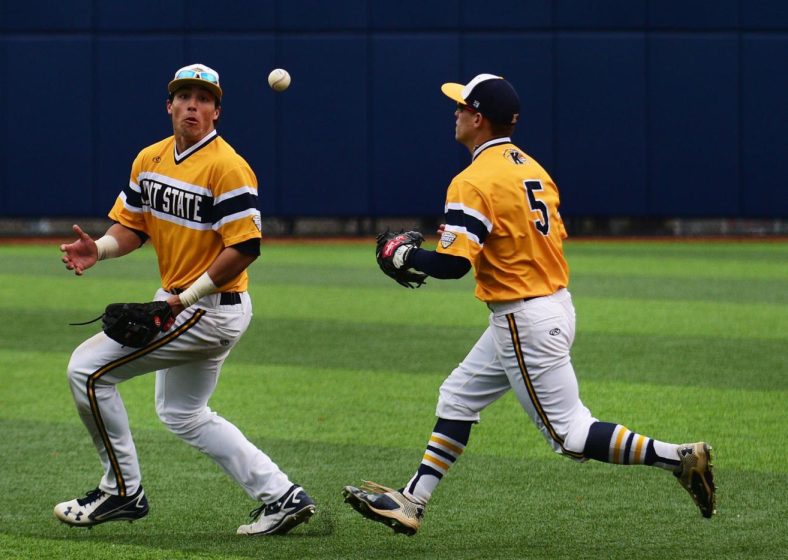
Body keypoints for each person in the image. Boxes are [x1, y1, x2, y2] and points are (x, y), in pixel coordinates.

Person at [343, 74, 716, 535]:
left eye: (461, 106)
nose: (455, 112)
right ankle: (412, 501)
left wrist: (402, 255)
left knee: (571, 436)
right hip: (554, 304)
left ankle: (678, 458)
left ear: (478, 118)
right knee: (457, 395)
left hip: (524, 318)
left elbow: (454, 265)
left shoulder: (474, 179)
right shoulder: (534, 169)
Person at [53, 63, 315, 536]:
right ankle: (282, 496)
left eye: (203, 98)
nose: (193, 104)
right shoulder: (149, 158)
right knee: (183, 413)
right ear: (169, 106)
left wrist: (180, 301)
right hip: (186, 304)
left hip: (207, 309)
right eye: (184, 96)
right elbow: (132, 226)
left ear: (216, 110)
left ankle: (121, 492)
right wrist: (101, 249)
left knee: (86, 371)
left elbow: (245, 248)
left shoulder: (228, 167)